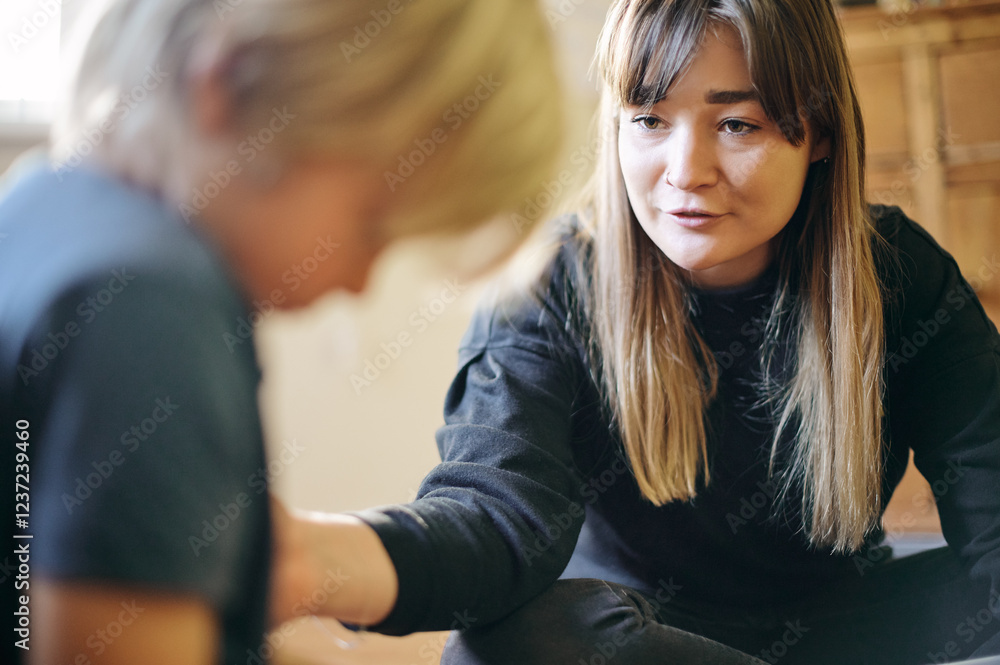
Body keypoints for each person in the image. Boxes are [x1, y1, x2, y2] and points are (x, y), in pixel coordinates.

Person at [275, 0, 1000, 663]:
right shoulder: (552, 286)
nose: (686, 172)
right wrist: (307, 558)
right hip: (644, 640)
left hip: (847, 626)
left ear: (820, 134)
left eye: (737, 123)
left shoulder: (896, 272)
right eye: (650, 119)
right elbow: (494, 521)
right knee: (511, 641)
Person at [0, 0, 563, 663]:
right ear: (231, 83)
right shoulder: (156, 317)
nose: (361, 283)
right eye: (372, 227)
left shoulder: (41, 204)